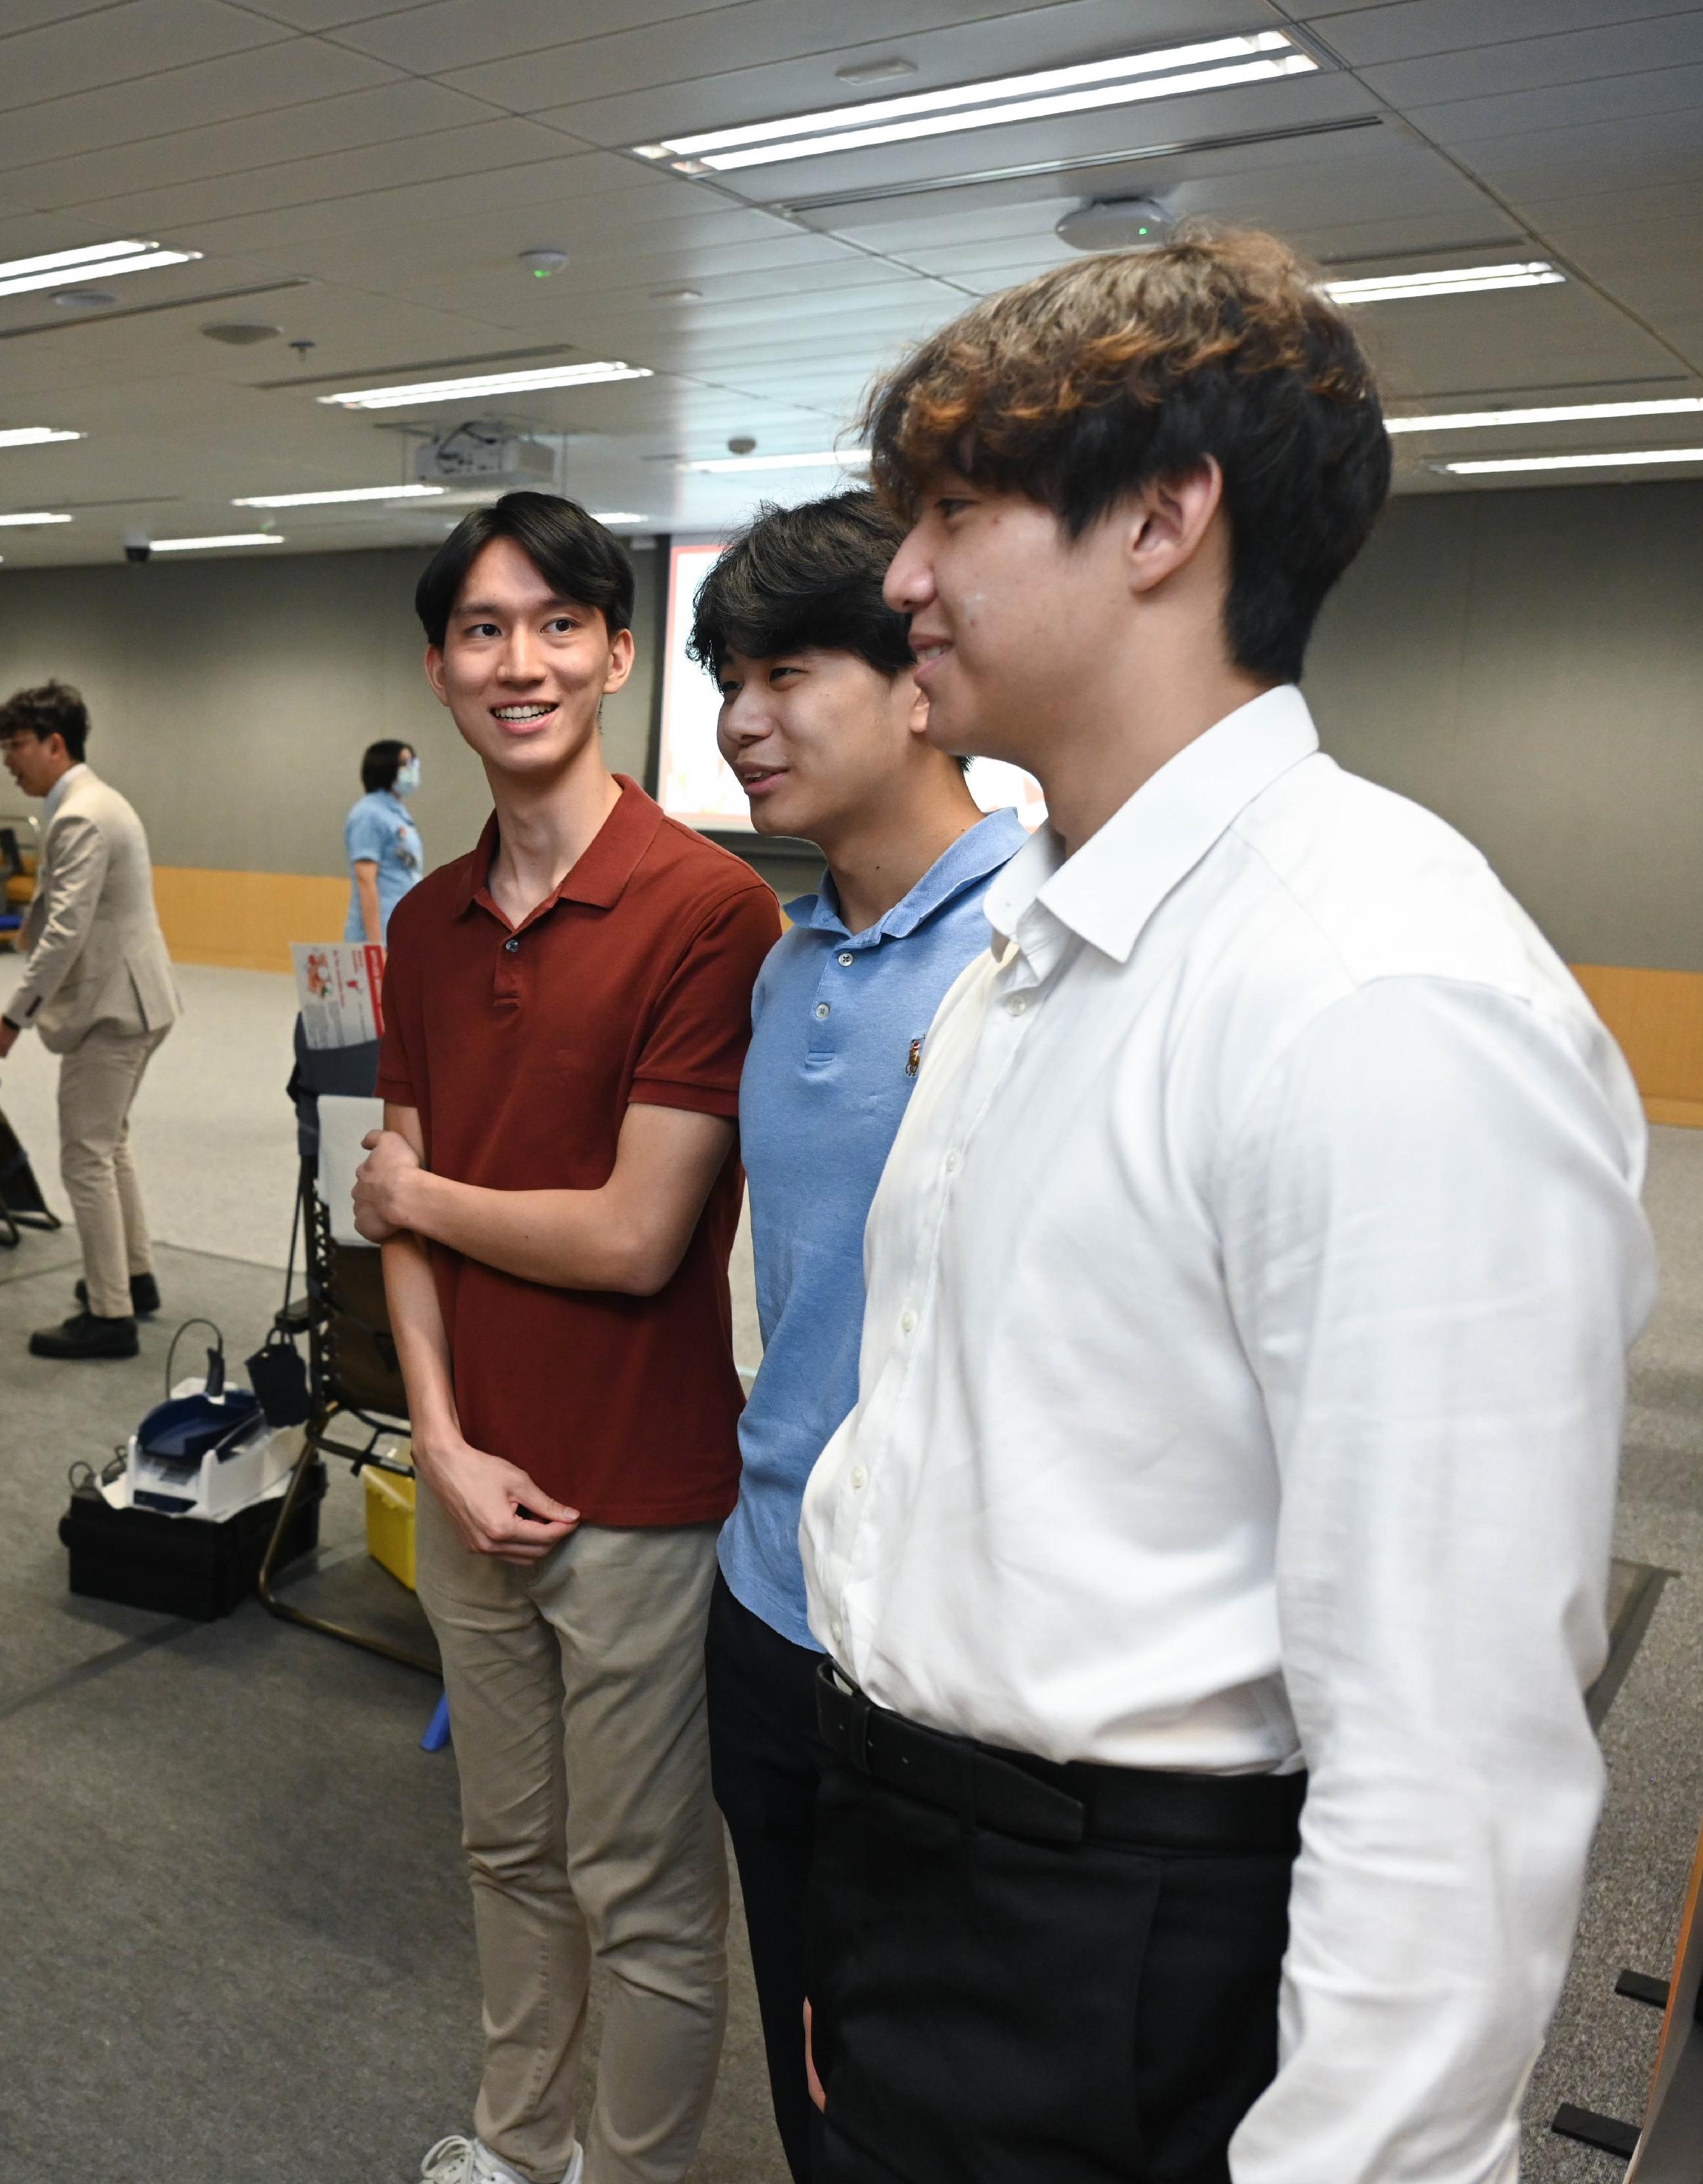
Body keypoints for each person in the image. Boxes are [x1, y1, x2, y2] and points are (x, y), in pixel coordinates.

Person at [798, 230, 1654, 2183]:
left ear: (1168, 517)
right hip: (939, 1882)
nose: (902, 578)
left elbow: (1452, 1758)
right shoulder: (1046, 928)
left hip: (1147, 1955)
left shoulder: (1371, 988)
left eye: (951, 510)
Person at [350, 492, 781, 2184]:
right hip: (471, 1472)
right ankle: (518, 2148)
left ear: (614, 650)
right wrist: (437, 1441)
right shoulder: (424, 925)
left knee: (643, 1886)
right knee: (505, 1853)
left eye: (552, 625)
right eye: (478, 629)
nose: (515, 660)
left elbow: (629, 1234)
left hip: (639, 1494)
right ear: (441, 667)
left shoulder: (704, 908)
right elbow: (391, 1217)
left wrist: (428, 1200)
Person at [684, 492, 1025, 2184]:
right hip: (765, 1614)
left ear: (920, 677)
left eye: (788, 668)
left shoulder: (1041, 945)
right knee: (815, 2102)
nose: (742, 719)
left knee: (939, 2122)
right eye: (725, 676)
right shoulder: (785, 955)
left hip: (952, 1665)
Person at [0, 680, 181, 1359]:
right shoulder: (92, 802)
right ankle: (134, 1277)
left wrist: (13, 1016)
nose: (9, 761)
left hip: (113, 1011)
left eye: (17, 745)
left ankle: (110, 1314)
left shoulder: (81, 815)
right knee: (110, 1143)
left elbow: (65, 933)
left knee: (84, 1156)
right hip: (134, 1000)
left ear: (55, 744)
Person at [346, 736, 424, 944]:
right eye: (405, 764)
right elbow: (365, 879)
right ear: (384, 767)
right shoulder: (369, 814)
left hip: (401, 926)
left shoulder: (396, 814)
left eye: (413, 763)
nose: (412, 769)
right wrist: (375, 945)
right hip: (378, 934)